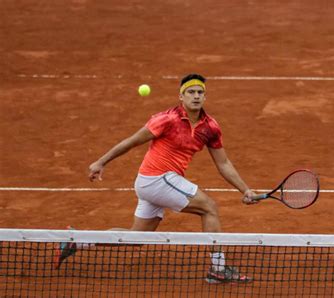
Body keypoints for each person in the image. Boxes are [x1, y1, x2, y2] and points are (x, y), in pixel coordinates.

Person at [54, 74, 258, 283]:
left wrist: (245, 189)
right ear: (181, 96)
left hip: (155, 184)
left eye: (200, 93)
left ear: (205, 97)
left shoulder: (211, 127)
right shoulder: (167, 119)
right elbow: (133, 141)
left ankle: (77, 241)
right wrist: (101, 161)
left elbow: (223, 163)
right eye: (191, 92)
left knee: (136, 238)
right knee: (209, 208)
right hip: (157, 178)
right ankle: (218, 269)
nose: (196, 96)